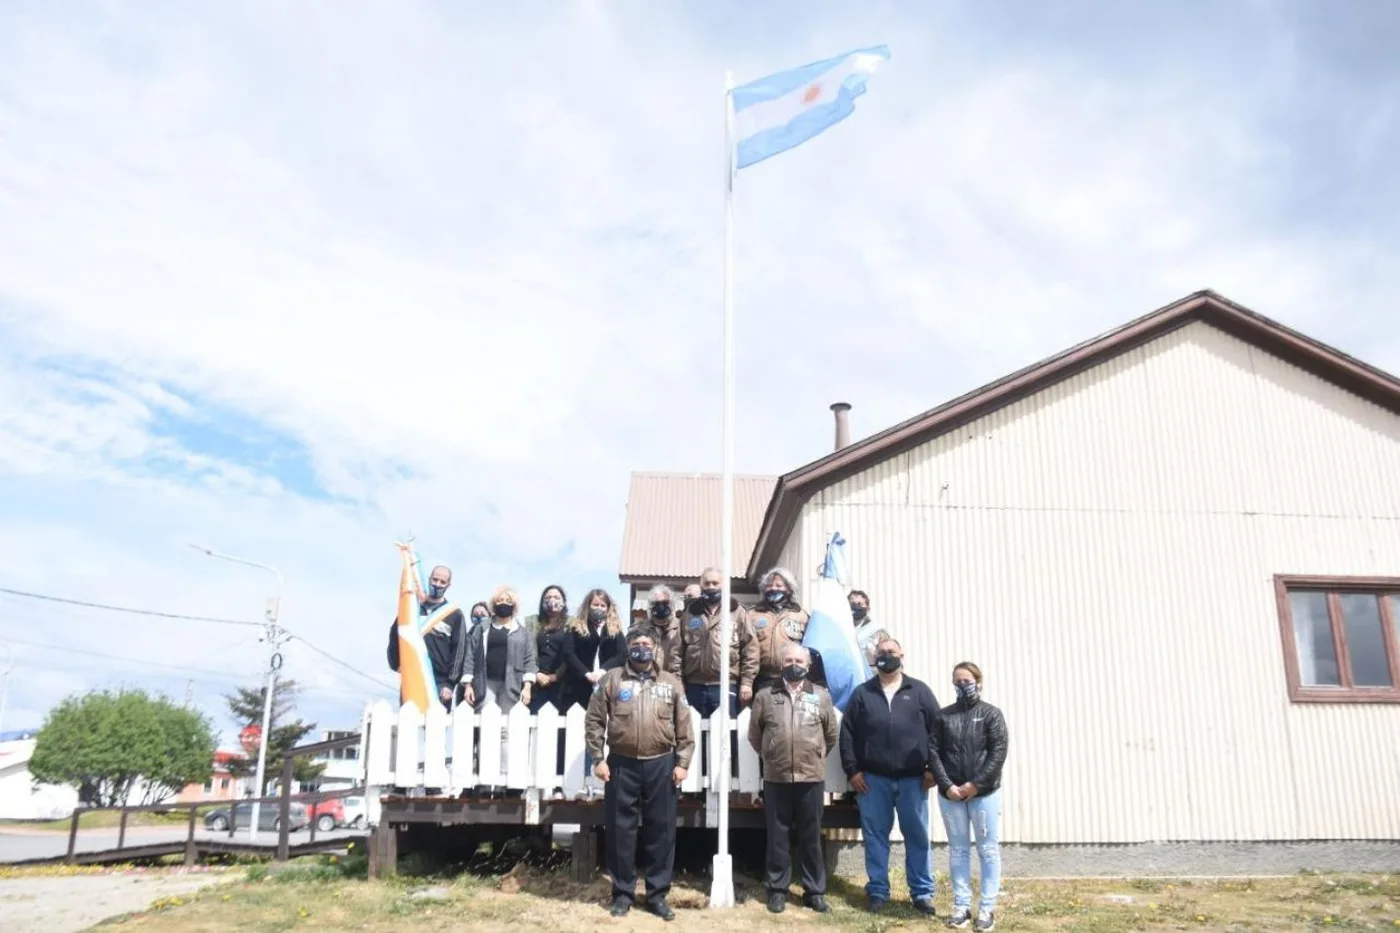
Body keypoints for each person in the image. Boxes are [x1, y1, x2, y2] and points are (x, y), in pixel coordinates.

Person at [585, 630, 694, 920]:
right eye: (636, 645)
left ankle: (658, 895)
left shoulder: (670, 683)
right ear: (628, 649)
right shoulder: (612, 679)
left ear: (656, 649)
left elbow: (684, 726)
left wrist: (682, 762)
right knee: (621, 831)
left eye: (647, 644)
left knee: (661, 830)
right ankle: (622, 894)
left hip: (662, 763)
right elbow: (594, 720)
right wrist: (598, 758)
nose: (642, 649)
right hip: (622, 764)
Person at [838, 637, 941, 916]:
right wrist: (853, 770)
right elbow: (846, 734)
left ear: (902, 653)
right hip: (873, 781)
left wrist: (933, 768)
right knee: (875, 838)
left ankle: (921, 893)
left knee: (917, 836)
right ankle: (878, 892)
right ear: (874, 658)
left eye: (891, 652)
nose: (886, 656)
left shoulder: (919, 691)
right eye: (881, 653)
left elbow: (938, 731)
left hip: (913, 780)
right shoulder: (862, 693)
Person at [748, 643, 837, 915]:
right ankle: (777, 890)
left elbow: (830, 734)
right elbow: (755, 735)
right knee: (778, 836)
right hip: (777, 777)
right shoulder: (765, 696)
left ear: (808, 665)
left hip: (811, 777)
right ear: (780, 663)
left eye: (798, 660)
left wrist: (814, 754)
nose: (793, 664)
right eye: (788, 660)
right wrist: (772, 755)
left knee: (811, 836)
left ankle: (815, 891)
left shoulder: (821, 696)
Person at [932, 662, 1008, 931]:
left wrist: (975, 785)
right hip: (950, 795)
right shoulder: (943, 717)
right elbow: (934, 752)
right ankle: (961, 907)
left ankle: (987, 909)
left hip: (983, 794)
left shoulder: (991, 715)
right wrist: (947, 785)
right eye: (957, 681)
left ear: (978, 681)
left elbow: (998, 752)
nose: (962, 685)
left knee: (987, 849)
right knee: (958, 850)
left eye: (967, 680)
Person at [461, 586, 537, 793]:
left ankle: (504, 780)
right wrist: (468, 684)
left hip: (510, 685)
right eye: (500, 599)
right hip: (486, 683)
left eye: (508, 600)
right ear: (494, 604)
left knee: (506, 732)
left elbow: (530, 661)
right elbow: (469, 655)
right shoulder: (482, 628)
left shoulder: (522, 632)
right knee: (487, 729)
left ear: (514, 605)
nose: (504, 602)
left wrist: (527, 686)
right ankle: (486, 781)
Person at [678, 566, 758, 716]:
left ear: (724, 585)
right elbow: (677, 652)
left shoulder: (738, 612)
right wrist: (678, 683)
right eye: (707, 583)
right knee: (695, 734)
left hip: (727, 684)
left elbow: (750, 649)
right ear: (701, 585)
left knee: (726, 736)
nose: (711, 587)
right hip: (694, 686)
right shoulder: (689, 613)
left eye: (715, 583)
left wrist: (747, 682)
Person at [385, 564, 467, 708]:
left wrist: (450, 683)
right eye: (435, 580)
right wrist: (396, 663)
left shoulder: (454, 614)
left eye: (442, 582)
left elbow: (459, 650)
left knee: (435, 728)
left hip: (440, 682)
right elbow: (395, 635)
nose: (438, 584)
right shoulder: (412, 609)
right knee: (408, 723)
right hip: (412, 675)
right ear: (429, 579)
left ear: (448, 585)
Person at [562, 588, 627, 709]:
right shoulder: (575, 627)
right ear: (588, 606)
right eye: (595, 605)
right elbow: (568, 653)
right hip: (578, 685)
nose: (599, 608)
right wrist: (586, 673)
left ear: (608, 608)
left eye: (603, 605)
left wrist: (603, 670)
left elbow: (622, 654)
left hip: (606, 684)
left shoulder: (614, 629)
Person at [748, 568, 809, 691]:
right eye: (769, 585)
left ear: (789, 589)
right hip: (760, 679)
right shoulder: (751, 615)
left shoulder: (801, 616)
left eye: (779, 585)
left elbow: (809, 647)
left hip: (792, 679)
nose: (773, 588)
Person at [529, 585, 572, 714]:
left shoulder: (572, 624)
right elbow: (527, 652)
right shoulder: (533, 623)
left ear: (563, 602)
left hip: (563, 683)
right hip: (538, 683)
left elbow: (573, 653)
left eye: (556, 597)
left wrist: (556, 676)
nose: (552, 600)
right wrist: (536, 674)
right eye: (548, 597)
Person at [628, 584, 683, 677]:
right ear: (650, 605)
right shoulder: (638, 629)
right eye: (656, 603)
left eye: (665, 603)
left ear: (672, 605)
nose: (661, 607)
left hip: (674, 682)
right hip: (646, 681)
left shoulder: (682, 628)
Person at [848, 589, 891, 674]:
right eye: (852, 604)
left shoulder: (876, 630)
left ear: (867, 608)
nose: (856, 607)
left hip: (870, 678)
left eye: (859, 604)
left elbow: (887, 656)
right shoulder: (842, 629)